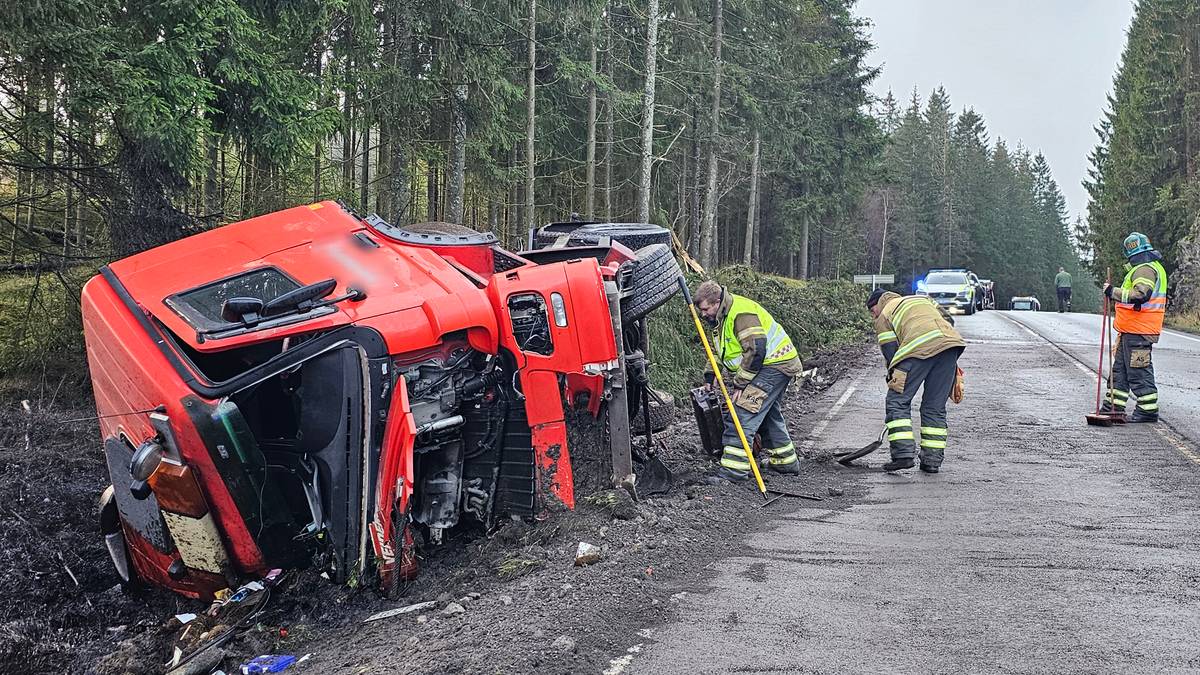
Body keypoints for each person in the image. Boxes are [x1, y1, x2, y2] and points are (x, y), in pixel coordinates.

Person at [692, 281, 803, 481]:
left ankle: (733, 472)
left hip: (774, 365)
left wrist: (740, 384)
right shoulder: (720, 318)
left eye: (706, 309)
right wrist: (711, 374)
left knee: (742, 414)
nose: (703, 314)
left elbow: (756, 350)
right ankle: (786, 462)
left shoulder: (741, 314)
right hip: (769, 367)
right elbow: (721, 350)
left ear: (717, 302)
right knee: (767, 414)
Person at [866, 288, 966, 473]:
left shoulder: (884, 315)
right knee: (934, 407)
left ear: (878, 304)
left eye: (872, 312)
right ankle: (932, 461)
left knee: (897, 401)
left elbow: (891, 352)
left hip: (917, 348)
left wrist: (893, 377)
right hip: (950, 346)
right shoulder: (921, 299)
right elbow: (949, 321)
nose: (874, 317)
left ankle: (902, 455)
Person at [1101, 232, 1167, 422]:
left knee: (1139, 371)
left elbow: (1141, 294)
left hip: (1140, 331)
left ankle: (1148, 410)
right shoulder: (1148, 267)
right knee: (1120, 371)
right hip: (1131, 330)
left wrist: (1112, 291)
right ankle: (1113, 406)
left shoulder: (1144, 269)